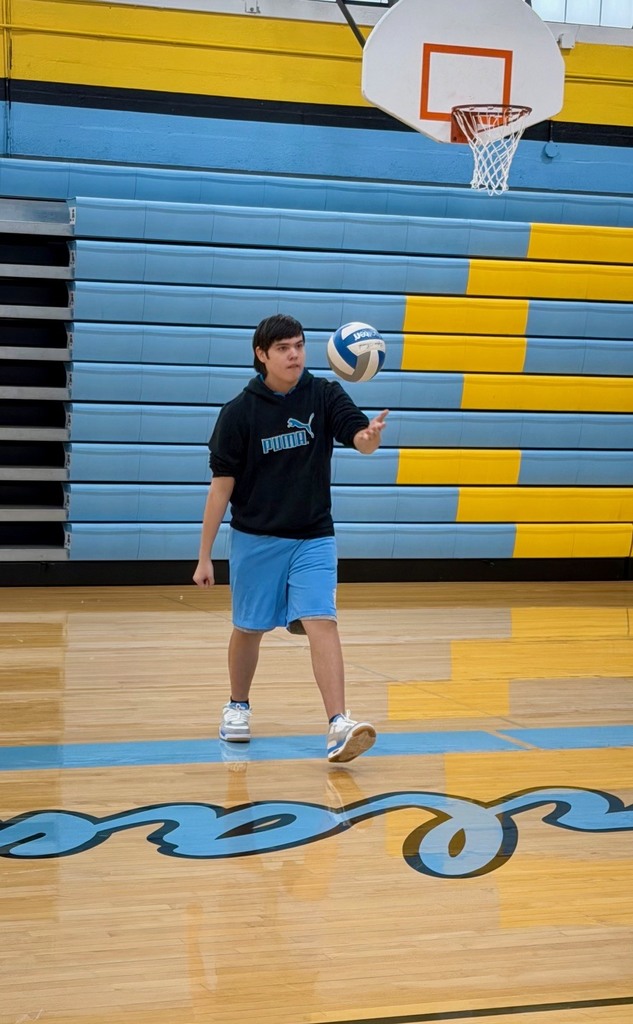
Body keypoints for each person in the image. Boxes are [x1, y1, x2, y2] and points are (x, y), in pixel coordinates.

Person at [193, 313, 388, 763]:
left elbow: (358, 437)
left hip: (313, 536)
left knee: (323, 620)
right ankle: (237, 705)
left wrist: (370, 436)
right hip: (256, 537)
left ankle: (339, 723)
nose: (294, 354)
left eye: (298, 345)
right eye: (283, 348)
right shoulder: (239, 413)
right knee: (249, 629)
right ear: (261, 355)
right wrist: (205, 556)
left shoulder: (323, 394)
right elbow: (220, 488)